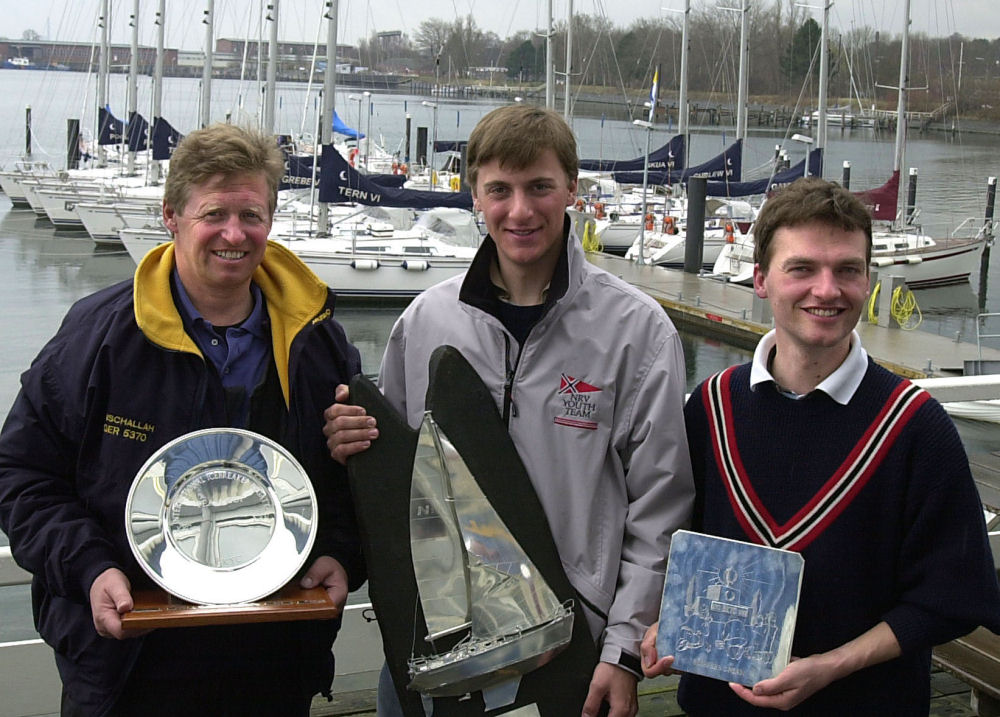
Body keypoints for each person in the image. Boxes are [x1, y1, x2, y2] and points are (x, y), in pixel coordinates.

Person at [323, 104, 694, 716]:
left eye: (540, 187)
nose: (520, 211)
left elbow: (660, 508)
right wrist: (350, 439)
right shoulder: (425, 322)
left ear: (572, 189)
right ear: (474, 195)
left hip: (569, 646)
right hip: (435, 644)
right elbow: (394, 478)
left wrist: (623, 649)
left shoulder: (637, 332)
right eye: (499, 190)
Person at [0, 123, 365, 717]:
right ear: (172, 217)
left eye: (251, 214)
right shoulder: (98, 339)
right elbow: (21, 475)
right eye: (213, 213)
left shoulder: (317, 342)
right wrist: (90, 569)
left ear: (271, 220)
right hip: (129, 662)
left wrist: (341, 550)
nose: (234, 233)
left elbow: (351, 478)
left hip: (271, 658)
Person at [639, 176, 1000, 714]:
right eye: (802, 268)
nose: (827, 290)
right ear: (760, 279)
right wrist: (663, 620)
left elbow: (953, 596)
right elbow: (673, 542)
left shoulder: (916, 428)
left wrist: (832, 665)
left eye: (847, 270)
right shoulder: (710, 407)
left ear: (868, 279)